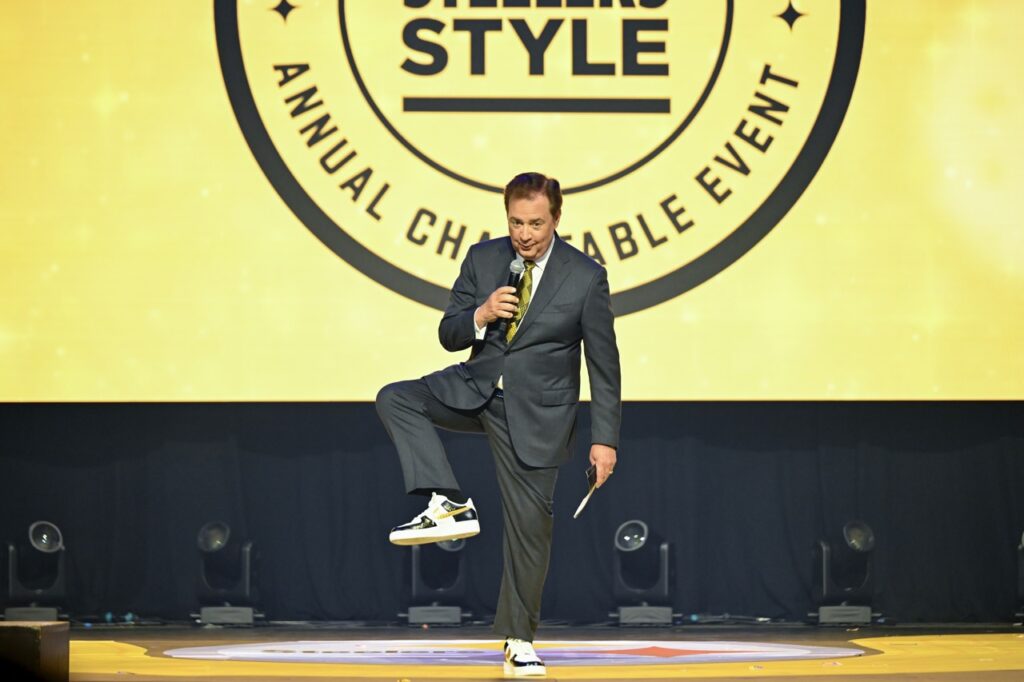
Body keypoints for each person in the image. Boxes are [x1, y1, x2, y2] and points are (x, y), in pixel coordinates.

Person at [375, 171, 621, 677]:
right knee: (397, 398)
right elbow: (449, 332)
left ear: (556, 218)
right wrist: (481, 314)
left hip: (539, 415)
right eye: (515, 223)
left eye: (535, 223)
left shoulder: (585, 276)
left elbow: (604, 365)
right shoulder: (483, 258)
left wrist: (605, 440)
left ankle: (518, 639)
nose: (524, 234)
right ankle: (447, 501)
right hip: (477, 390)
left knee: (530, 530)